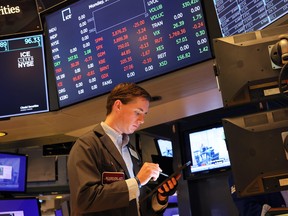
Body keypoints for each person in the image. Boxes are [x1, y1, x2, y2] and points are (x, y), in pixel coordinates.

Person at [67, 82, 181, 216]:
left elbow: (138, 205)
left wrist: (160, 197)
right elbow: (85, 199)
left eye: (144, 113)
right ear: (118, 106)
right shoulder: (87, 145)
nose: (142, 120)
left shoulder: (130, 149)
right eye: (137, 112)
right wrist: (137, 182)